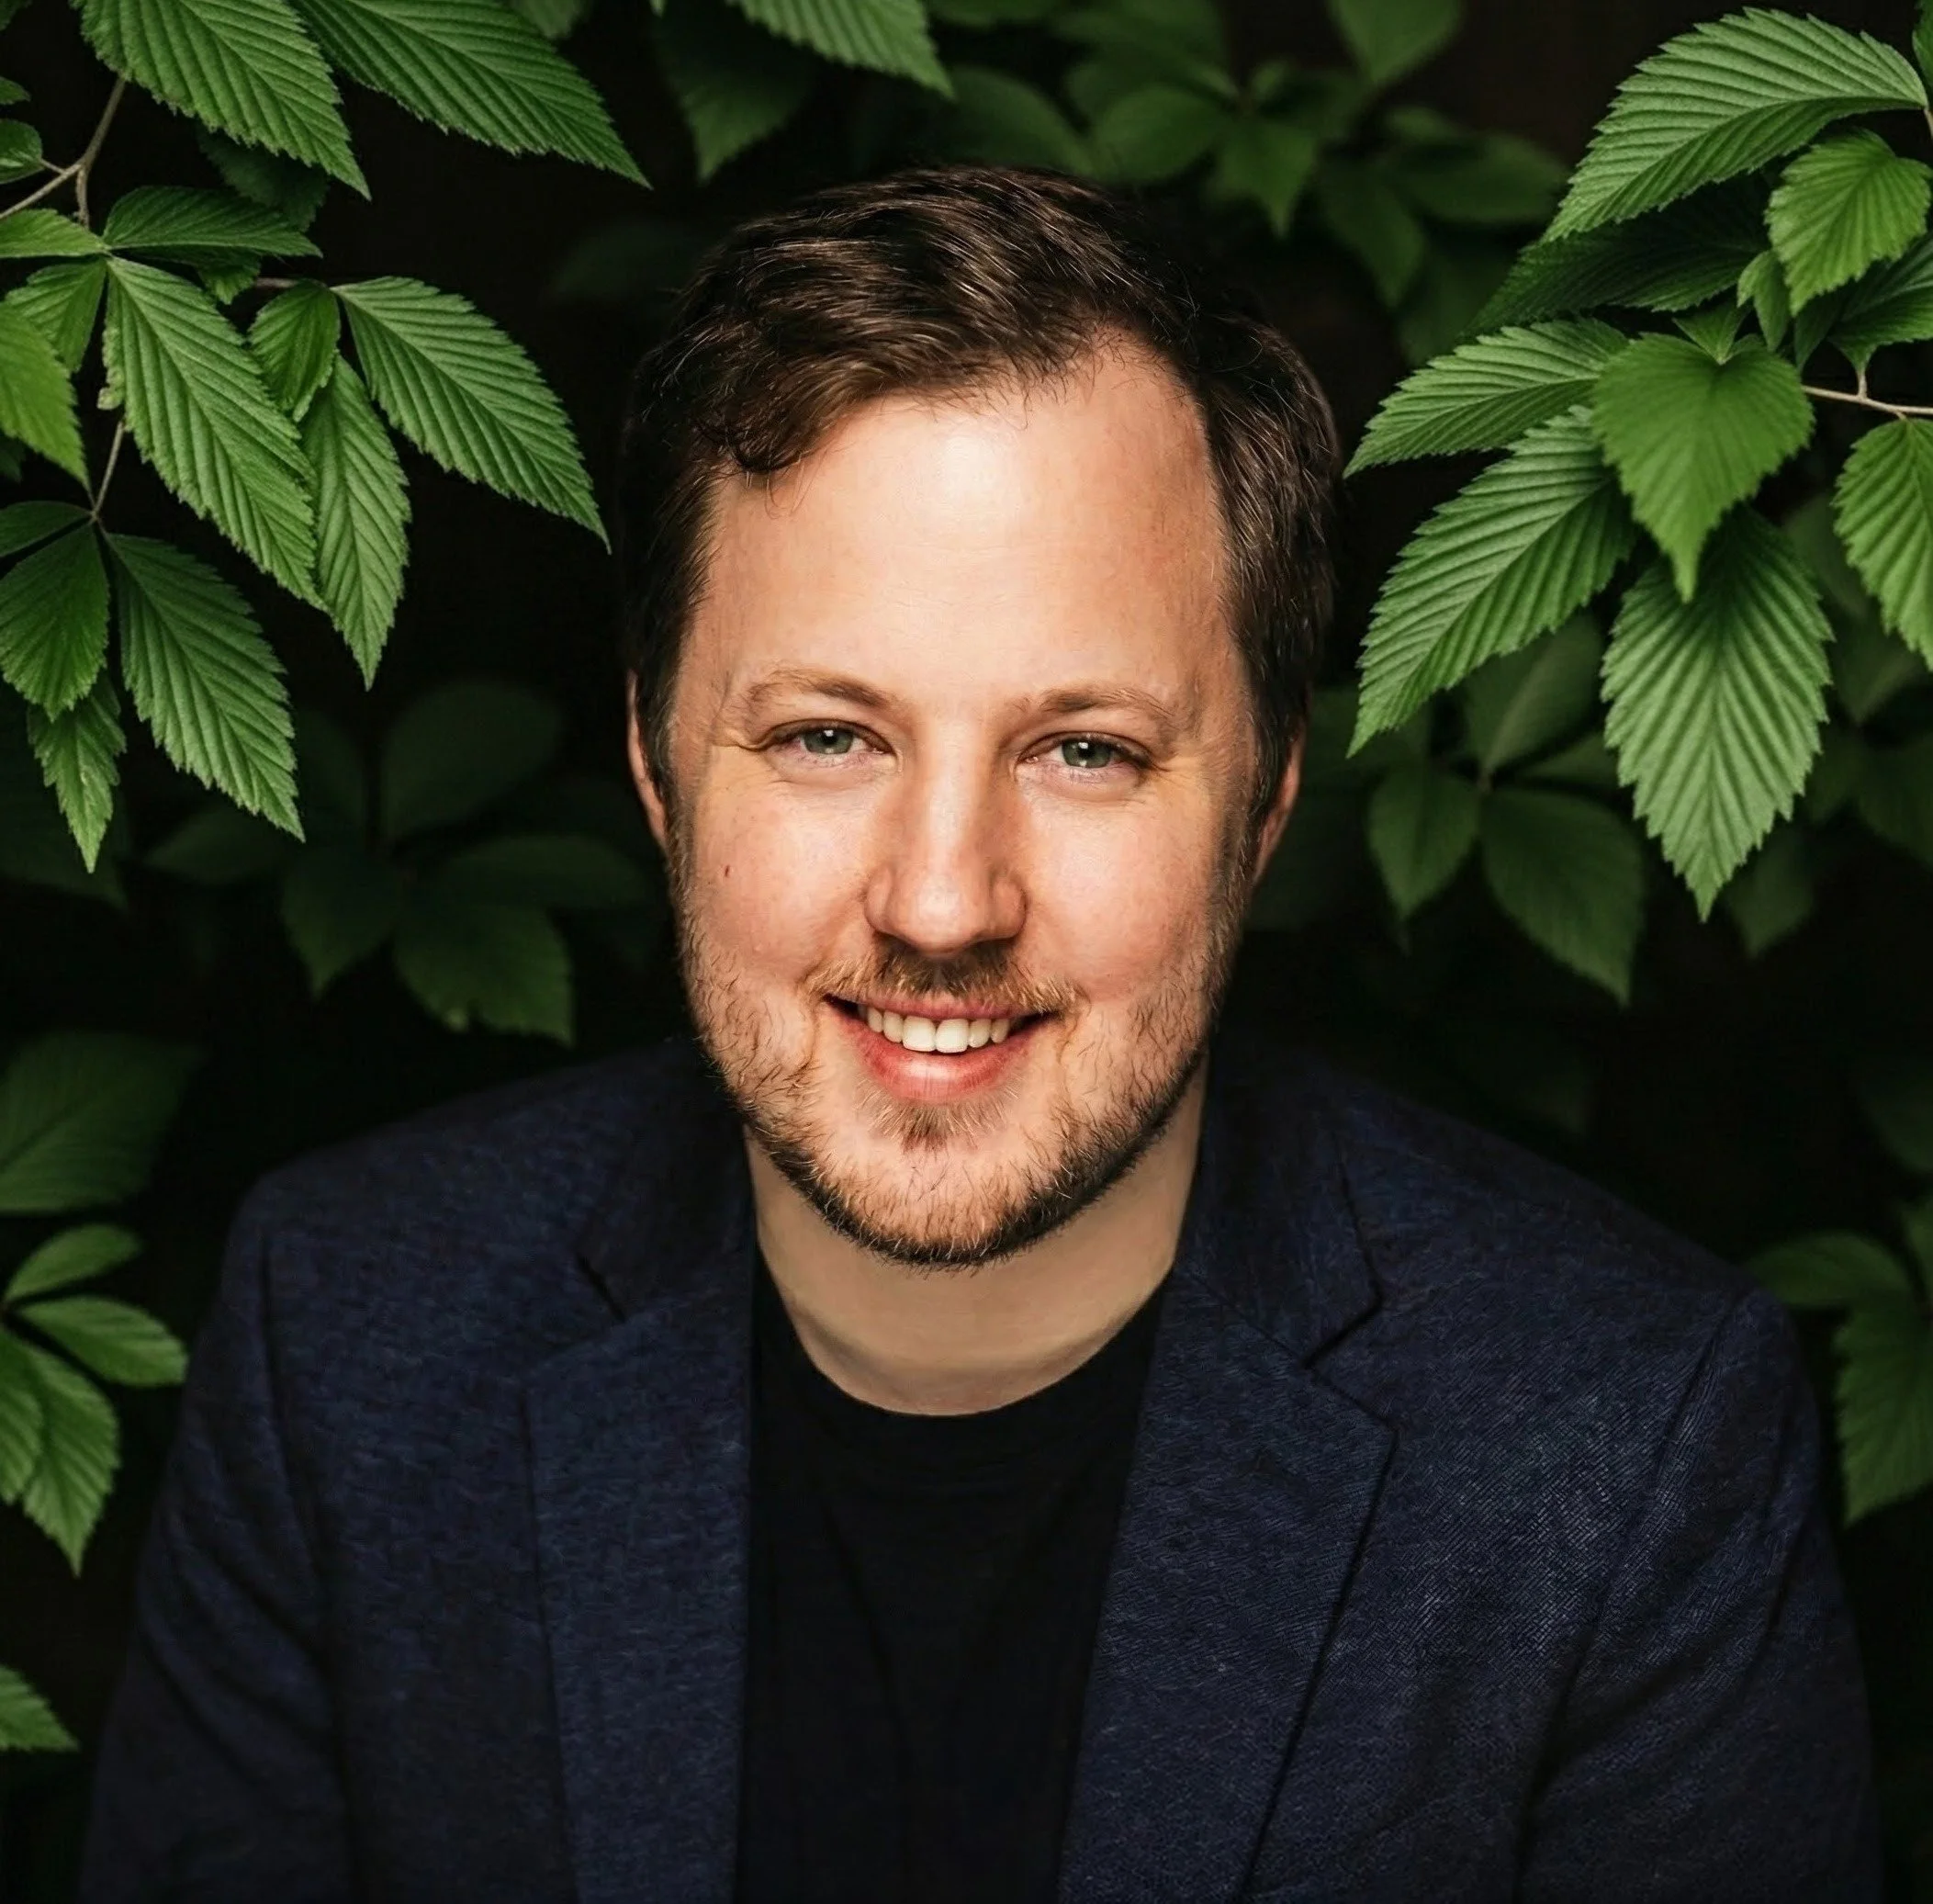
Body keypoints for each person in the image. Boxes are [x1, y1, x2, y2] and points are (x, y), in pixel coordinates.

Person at [81, 164, 1877, 1903]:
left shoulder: (1626, 1440)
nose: (943, 903)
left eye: (1082, 748)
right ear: (652, 771)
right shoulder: (343, 1336)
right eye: (824, 737)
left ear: (1259, 809)